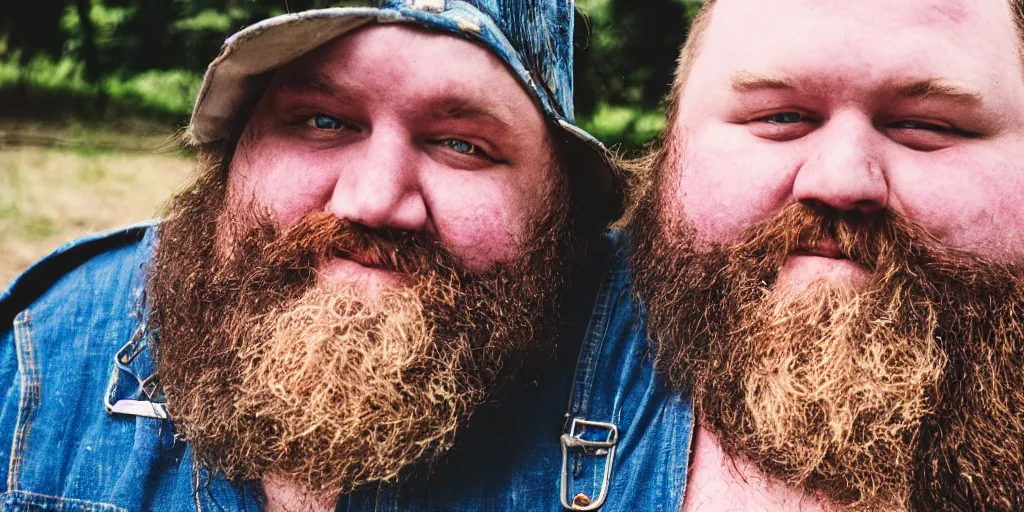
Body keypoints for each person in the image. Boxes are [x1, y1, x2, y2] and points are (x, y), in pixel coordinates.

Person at [0, 1, 690, 511]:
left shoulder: (663, 390)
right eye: (322, 121)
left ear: (558, 204)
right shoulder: (45, 354)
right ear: (234, 150)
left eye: (461, 144)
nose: (374, 200)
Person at [627, 0, 1024, 510]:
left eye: (925, 125)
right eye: (781, 116)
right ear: (669, 142)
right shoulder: (538, 339)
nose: (841, 182)